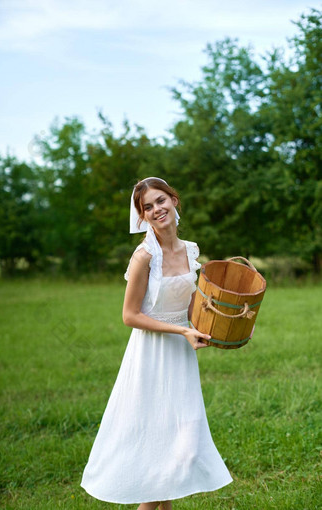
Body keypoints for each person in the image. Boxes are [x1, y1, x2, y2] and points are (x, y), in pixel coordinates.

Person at [80, 177, 233, 509]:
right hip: (151, 352)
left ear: (174, 200)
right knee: (157, 450)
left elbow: (190, 303)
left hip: (181, 353)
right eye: (147, 207)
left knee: (179, 446)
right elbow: (129, 315)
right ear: (142, 216)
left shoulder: (190, 250)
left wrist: (216, 322)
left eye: (160, 200)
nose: (156, 209)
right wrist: (182, 332)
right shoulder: (144, 257)